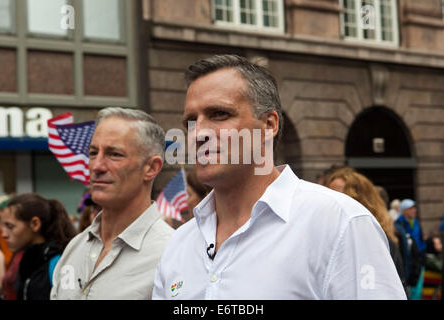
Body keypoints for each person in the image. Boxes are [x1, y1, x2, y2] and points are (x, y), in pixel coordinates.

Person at [152, 54, 406, 299]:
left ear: (269, 125)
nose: (198, 134)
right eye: (190, 122)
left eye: (220, 114)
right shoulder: (180, 244)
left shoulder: (339, 222)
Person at [51, 107, 174, 300]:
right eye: (93, 153)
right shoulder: (75, 247)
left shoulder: (172, 254)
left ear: (151, 168)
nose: (97, 166)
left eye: (114, 154)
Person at [326, 167, 407, 293]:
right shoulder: (328, 234)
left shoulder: (381, 237)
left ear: (360, 200)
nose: (331, 202)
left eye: (340, 196)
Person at [0, 193, 76, 300]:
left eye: (10, 226)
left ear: (35, 224)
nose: (4, 234)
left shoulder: (59, 263)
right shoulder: (26, 260)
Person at [395, 199, 427, 300]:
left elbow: (420, 239)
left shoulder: (416, 222)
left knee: (418, 292)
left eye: (414, 208)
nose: (414, 210)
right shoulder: (398, 224)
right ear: (404, 211)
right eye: (411, 208)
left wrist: (422, 252)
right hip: (408, 263)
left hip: (419, 262)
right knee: (409, 292)